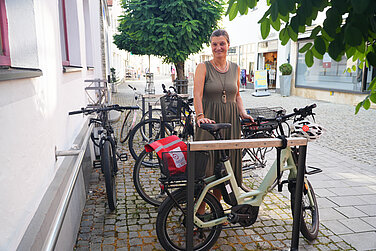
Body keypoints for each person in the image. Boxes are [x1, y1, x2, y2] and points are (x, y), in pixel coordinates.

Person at [193, 29, 253, 209]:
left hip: (230, 123)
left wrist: (243, 113)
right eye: (214, 44)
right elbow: (197, 95)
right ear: (211, 46)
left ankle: (216, 210)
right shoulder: (203, 67)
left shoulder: (235, 68)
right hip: (210, 122)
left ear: (228, 45)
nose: (218, 47)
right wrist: (200, 116)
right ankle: (199, 212)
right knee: (206, 169)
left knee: (224, 168)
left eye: (222, 44)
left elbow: (237, 96)